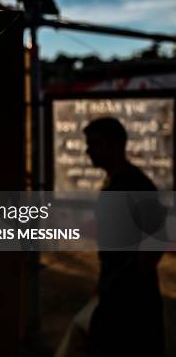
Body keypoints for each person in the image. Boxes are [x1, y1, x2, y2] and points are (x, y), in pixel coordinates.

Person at [83, 117, 165, 356]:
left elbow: (154, 242)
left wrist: (128, 282)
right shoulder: (117, 183)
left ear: (116, 145)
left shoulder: (135, 185)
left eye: (95, 144)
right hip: (119, 291)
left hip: (132, 302)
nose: (88, 151)